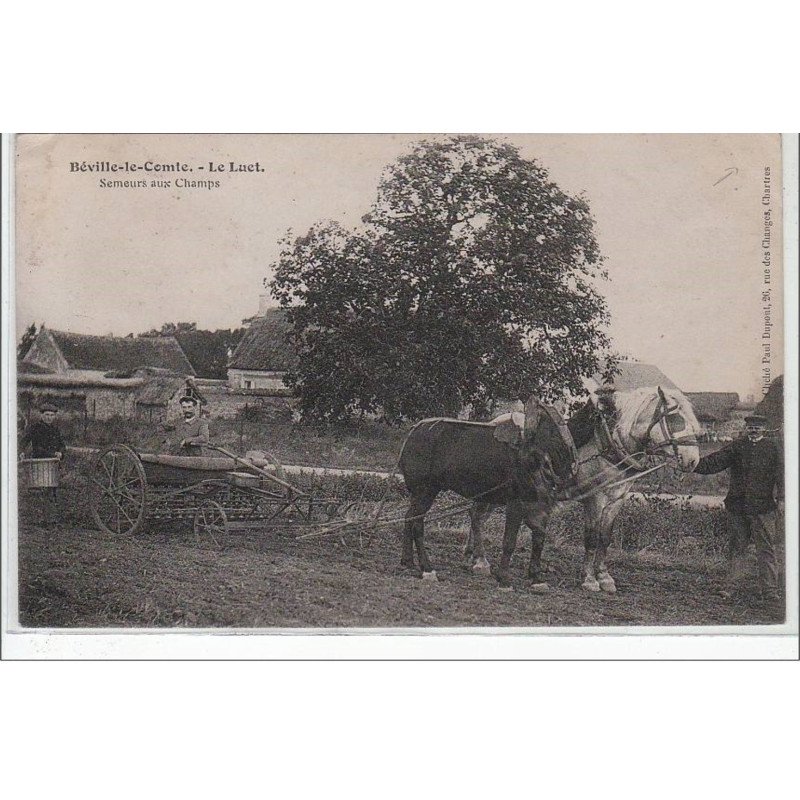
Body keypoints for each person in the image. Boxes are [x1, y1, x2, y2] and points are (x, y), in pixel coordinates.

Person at [694, 414, 784, 601]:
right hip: (738, 507)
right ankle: (731, 587)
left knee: (766, 549)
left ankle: (769, 590)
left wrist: (782, 499)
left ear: (764, 428)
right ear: (747, 427)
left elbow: (782, 475)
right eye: (751, 426)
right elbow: (715, 462)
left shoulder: (774, 447)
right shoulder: (737, 446)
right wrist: (692, 464)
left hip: (763, 507)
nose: (754, 429)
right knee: (737, 548)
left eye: (758, 426)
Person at [173, 381, 210, 456]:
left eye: (189, 407)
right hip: (178, 456)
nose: (187, 410)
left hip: (195, 457)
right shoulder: (178, 422)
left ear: (195, 408)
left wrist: (188, 440)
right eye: (184, 407)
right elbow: (162, 427)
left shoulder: (202, 423)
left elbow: (204, 438)